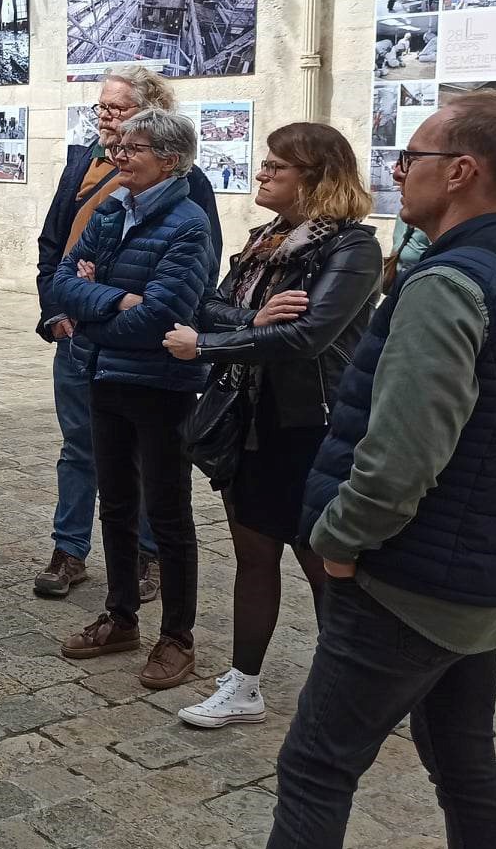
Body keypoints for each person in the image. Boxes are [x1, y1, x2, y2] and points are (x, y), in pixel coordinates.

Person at [244, 92, 496, 849]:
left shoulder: (446, 287)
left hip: (411, 584)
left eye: (413, 158)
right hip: (481, 580)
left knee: (317, 768)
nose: (397, 171)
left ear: (462, 172)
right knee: (467, 768)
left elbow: (398, 458)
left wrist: (340, 540)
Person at [162, 124, 380, 729]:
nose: (261, 174)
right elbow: (210, 301)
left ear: (315, 179)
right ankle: (244, 685)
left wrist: (207, 345)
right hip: (251, 418)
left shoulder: (351, 250)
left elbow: (308, 338)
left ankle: (354, 688)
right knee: (253, 554)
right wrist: (251, 320)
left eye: (276, 167)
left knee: (322, 562)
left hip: (313, 425)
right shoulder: (267, 241)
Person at [32, 66, 222, 601]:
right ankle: (69, 551)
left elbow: (194, 276)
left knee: (139, 458)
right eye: (101, 108)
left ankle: (147, 556)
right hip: (76, 335)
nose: (104, 118)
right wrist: (59, 309)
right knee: (78, 447)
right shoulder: (83, 167)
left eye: (116, 110)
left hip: (139, 348)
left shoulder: (189, 188)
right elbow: (58, 254)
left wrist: (97, 301)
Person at [53, 108, 214, 689]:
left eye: (133, 149)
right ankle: (121, 616)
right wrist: (110, 299)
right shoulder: (114, 208)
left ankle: (178, 638)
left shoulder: (190, 225)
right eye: (119, 146)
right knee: (116, 504)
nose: (119, 157)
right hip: (105, 377)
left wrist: (95, 305)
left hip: (159, 386)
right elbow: (61, 280)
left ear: (169, 161)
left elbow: (162, 318)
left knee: (167, 516)